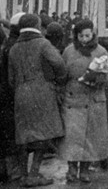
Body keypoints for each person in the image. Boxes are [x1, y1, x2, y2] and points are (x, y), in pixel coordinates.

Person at [8, 14, 67, 187]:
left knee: (24, 135)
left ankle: (24, 174)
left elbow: (11, 78)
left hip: (20, 93)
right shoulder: (43, 44)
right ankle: (34, 173)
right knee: (43, 134)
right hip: (42, 92)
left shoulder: (14, 48)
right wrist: (59, 82)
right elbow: (59, 64)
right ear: (37, 25)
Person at [59, 19, 108, 184]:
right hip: (73, 100)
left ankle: (85, 170)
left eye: (87, 35)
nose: (84, 39)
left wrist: (99, 78)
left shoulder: (101, 51)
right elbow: (62, 74)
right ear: (76, 35)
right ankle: (72, 169)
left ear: (93, 34)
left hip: (94, 99)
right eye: (81, 36)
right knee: (73, 137)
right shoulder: (68, 51)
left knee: (91, 137)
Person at [0, 13, 24, 184]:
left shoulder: (7, 46)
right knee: (9, 133)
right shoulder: (12, 48)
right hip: (7, 96)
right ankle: (12, 171)